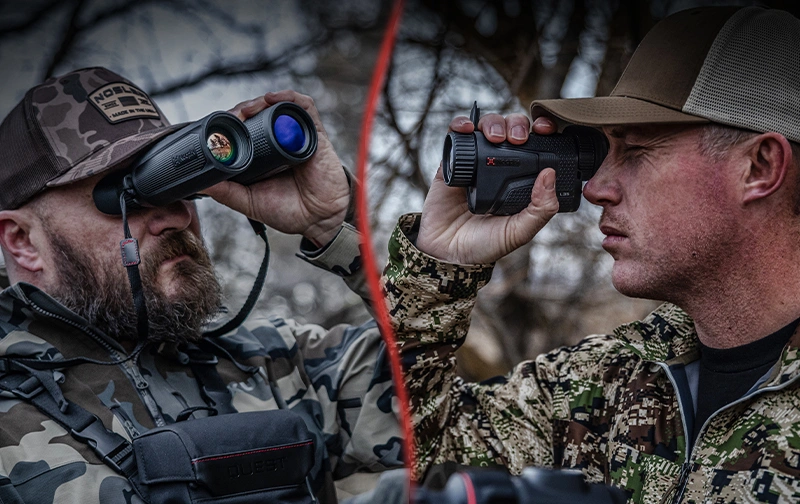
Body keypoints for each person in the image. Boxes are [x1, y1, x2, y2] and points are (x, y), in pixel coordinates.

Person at [382, 5, 800, 503]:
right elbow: (406, 449)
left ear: (759, 166)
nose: (596, 188)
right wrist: (441, 261)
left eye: (636, 151)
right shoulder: (611, 377)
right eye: (602, 154)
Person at [0, 67, 401, 503]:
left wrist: (337, 230)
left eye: (180, 185)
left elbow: (459, 417)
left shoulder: (278, 363)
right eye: (123, 197)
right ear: (23, 242)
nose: (176, 216)